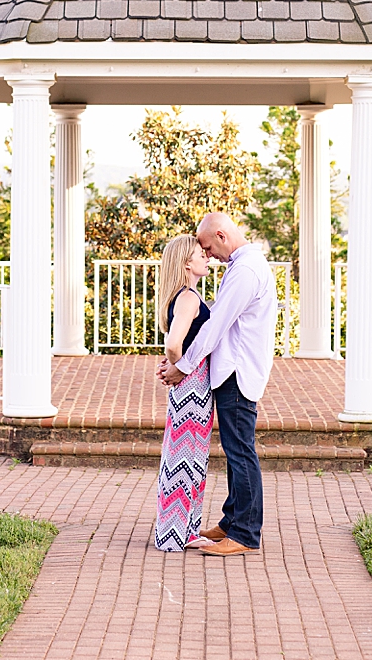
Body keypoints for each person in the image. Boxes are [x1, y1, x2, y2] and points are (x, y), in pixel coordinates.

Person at [158, 212, 277, 556]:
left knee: (241, 452)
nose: (207, 254)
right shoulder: (242, 267)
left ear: (222, 236)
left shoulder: (245, 271)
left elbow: (215, 327)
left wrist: (182, 365)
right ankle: (231, 521)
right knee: (235, 450)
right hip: (231, 371)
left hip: (237, 373)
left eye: (209, 247)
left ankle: (244, 533)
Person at [152, 234, 217, 551]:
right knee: (187, 455)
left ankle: (182, 530)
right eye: (199, 254)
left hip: (191, 383)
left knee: (188, 454)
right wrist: (182, 368)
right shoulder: (189, 298)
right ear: (186, 262)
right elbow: (174, 344)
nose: (206, 257)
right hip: (193, 384)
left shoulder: (184, 296)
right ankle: (177, 533)